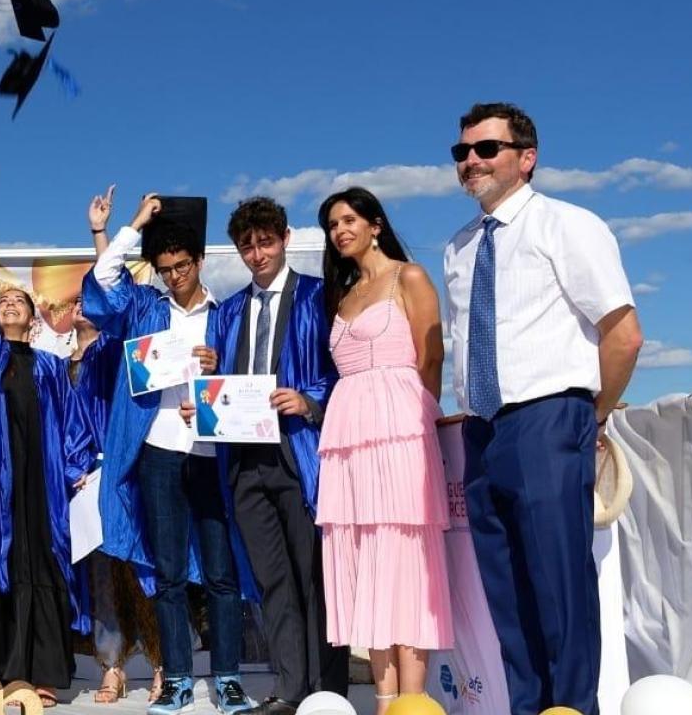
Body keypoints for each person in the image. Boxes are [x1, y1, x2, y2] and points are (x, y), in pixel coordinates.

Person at [443, 103, 641, 715]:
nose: (471, 160)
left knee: (560, 587)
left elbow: (623, 333)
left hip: (548, 417)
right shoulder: (458, 248)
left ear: (526, 158)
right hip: (481, 430)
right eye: (462, 151)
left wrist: (591, 415)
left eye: (487, 148)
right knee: (506, 593)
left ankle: (575, 708)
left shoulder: (568, 225)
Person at [83, 188, 254, 714]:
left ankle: (227, 677)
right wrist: (129, 224)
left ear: (199, 261)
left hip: (207, 453)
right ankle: (177, 676)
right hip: (157, 450)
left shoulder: (226, 314)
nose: (175, 276)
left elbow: (246, 383)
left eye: (182, 266)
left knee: (222, 573)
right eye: (164, 269)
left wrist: (218, 369)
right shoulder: (144, 307)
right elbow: (104, 280)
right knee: (169, 574)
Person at [315, 187, 452, 714]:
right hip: (349, 438)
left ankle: (413, 702)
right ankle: (384, 700)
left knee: (405, 560)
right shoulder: (343, 294)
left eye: (349, 220)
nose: (340, 231)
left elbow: (431, 357)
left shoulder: (408, 276)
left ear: (375, 225)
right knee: (367, 563)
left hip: (400, 431)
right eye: (332, 225)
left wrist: (420, 424)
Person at [215, 196, 347, 715]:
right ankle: (291, 689)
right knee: (273, 580)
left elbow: (343, 368)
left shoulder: (318, 296)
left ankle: (327, 688)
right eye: (247, 246)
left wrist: (309, 402)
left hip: (299, 454)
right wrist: (203, 403)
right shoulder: (228, 311)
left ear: (285, 238)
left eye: (265, 242)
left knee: (315, 576)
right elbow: (218, 384)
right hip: (245, 461)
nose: (257, 254)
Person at [0, 189, 86, 706]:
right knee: (5, 564)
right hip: (0, 479)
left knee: (44, 564)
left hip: (44, 482)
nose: (8, 304)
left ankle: (45, 673)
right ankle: (13, 673)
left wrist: (74, 467)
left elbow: (71, 423)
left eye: (18, 301)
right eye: (3, 302)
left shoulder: (50, 366)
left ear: (32, 317)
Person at [62, 289, 164, 706]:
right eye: (76, 302)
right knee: (101, 575)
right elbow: (58, 426)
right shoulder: (59, 367)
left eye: (90, 300)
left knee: (143, 568)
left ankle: (163, 663)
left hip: (127, 470)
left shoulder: (119, 349)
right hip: (86, 481)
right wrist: (73, 469)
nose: (82, 306)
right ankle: (112, 666)